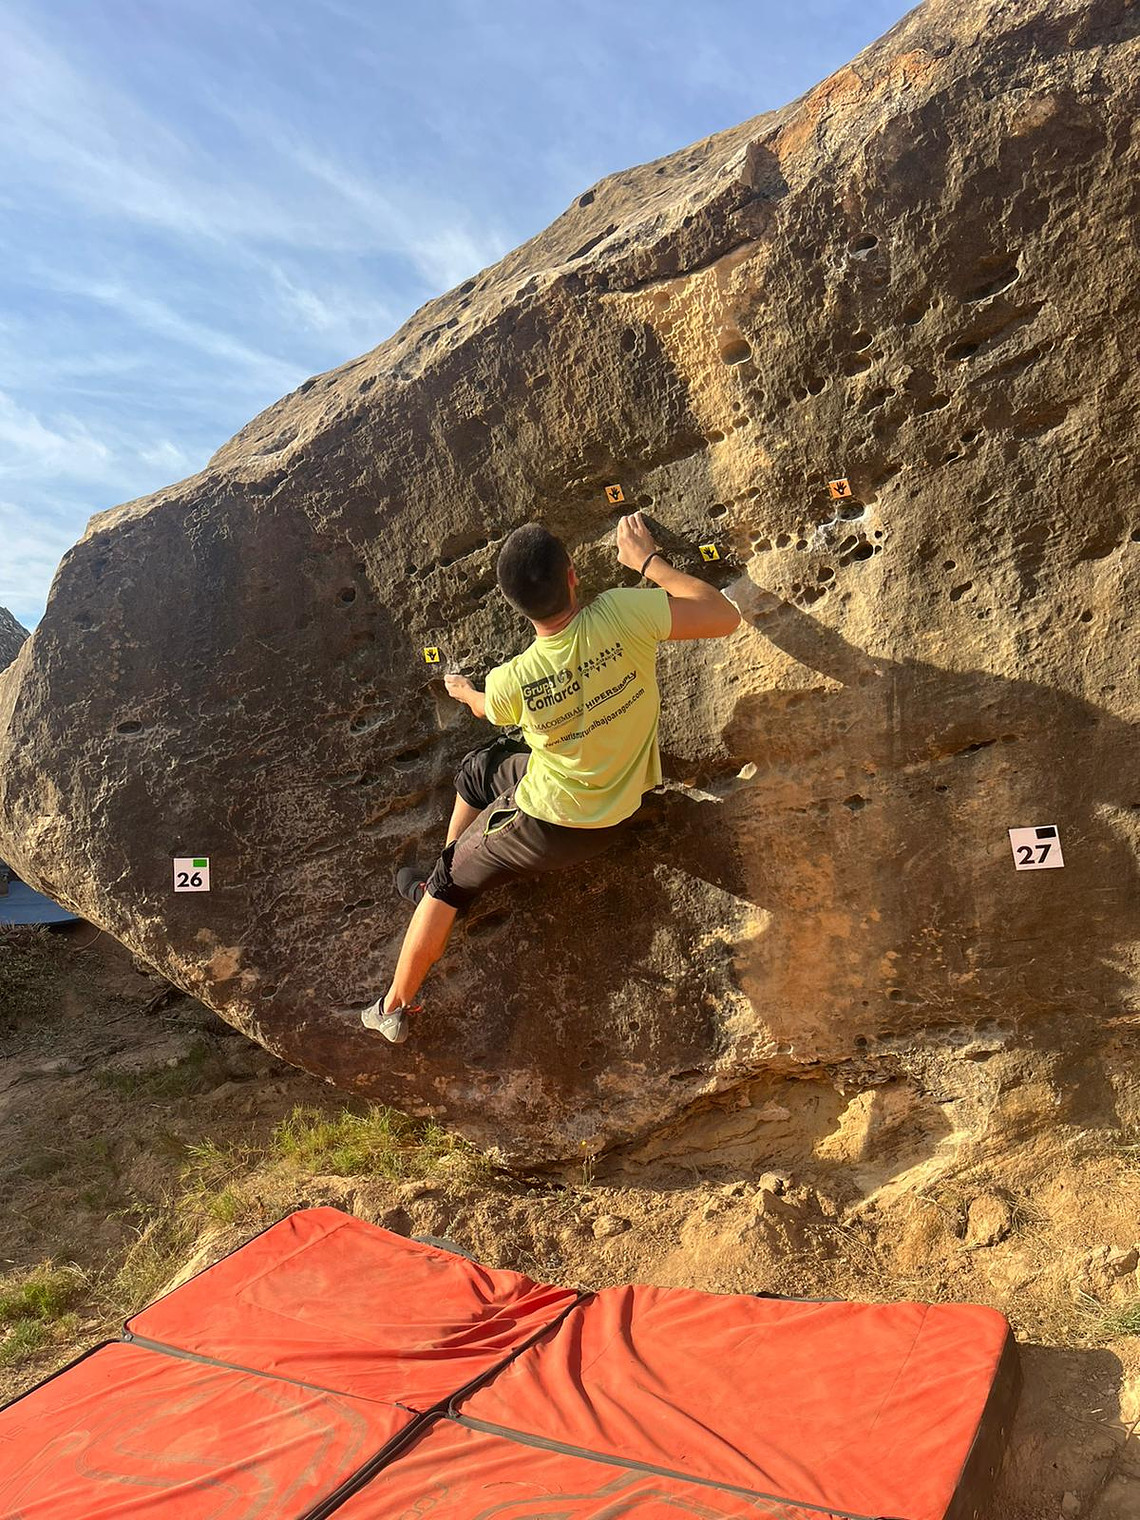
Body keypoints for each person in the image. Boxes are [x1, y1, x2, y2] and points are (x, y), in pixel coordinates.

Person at [361, 511, 741, 1042]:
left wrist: (464, 691)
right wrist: (648, 562)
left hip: (550, 823)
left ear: (514, 605)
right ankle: (454, 871)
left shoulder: (514, 680)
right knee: (479, 771)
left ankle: (393, 1006)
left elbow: (484, 707)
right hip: (619, 800)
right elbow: (722, 615)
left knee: (446, 882)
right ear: (572, 576)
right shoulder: (623, 614)